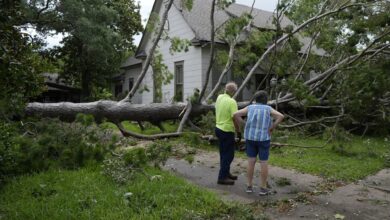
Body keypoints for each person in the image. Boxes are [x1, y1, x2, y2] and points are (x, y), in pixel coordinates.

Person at [233, 90, 284, 195]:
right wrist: (272, 127)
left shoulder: (250, 107)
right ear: (266, 100)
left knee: (251, 162)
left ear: (256, 99)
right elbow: (280, 116)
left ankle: (249, 186)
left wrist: (244, 124)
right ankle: (263, 188)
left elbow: (235, 114)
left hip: (250, 138)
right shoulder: (268, 109)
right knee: (264, 162)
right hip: (264, 139)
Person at [215, 82, 241, 185]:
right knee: (229, 155)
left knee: (223, 153)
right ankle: (222, 177)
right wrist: (238, 131)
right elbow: (235, 118)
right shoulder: (232, 102)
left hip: (218, 128)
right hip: (227, 130)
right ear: (233, 91)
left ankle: (226, 173)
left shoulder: (219, 97)